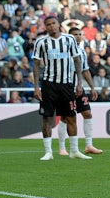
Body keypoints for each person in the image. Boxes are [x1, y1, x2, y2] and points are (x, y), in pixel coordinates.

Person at [32, 16, 90, 160]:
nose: (51, 26)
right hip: (48, 84)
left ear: (59, 25)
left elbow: (77, 60)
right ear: (45, 27)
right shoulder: (41, 42)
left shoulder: (69, 40)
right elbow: (36, 64)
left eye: (53, 23)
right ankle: (48, 152)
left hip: (66, 84)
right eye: (48, 24)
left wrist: (79, 83)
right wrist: (36, 87)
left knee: (71, 117)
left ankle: (74, 151)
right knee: (47, 118)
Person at [56, 26, 101, 156]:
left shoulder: (81, 52)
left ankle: (89, 145)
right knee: (65, 117)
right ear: (69, 37)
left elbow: (85, 70)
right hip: (66, 88)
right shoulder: (63, 52)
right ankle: (62, 148)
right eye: (75, 34)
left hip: (79, 88)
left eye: (79, 34)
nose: (78, 36)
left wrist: (92, 87)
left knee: (87, 113)